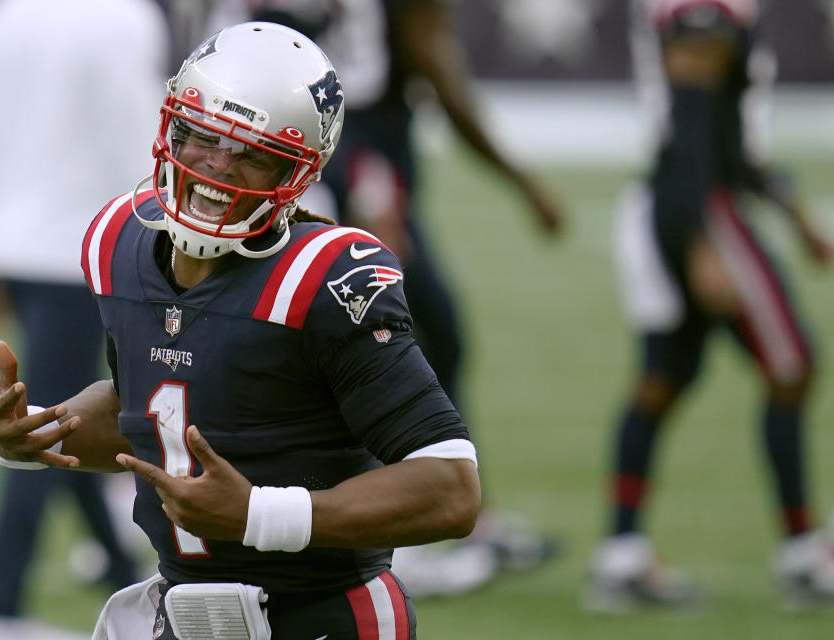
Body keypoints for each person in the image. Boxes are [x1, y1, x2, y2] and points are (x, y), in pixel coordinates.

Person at [0, 21, 481, 640]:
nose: (218, 166)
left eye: (253, 152)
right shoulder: (119, 243)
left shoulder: (325, 277)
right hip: (181, 615)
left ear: (300, 171)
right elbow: (156, 405)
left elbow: (449, 488)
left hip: (324, 616)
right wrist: (35, 434)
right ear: (170, 129)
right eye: (202, 136)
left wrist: (258, 514)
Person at [199, 0, 564, 597]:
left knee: (409, 335)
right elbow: (434, 64)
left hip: (289, 148)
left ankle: (241, 498)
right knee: (373, 340)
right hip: (338, 151)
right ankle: (368, 521)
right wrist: (517, 179)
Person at [585, 0, 834, 612]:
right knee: (792, 363)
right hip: (698, 206)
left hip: (684, 198)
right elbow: (694, 115)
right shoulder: (702, 14)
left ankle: (620, 554)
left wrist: (792, 210)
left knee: (663, 381)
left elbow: (728, 136)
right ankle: (803, 554)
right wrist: (700, 243)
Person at [0, 0, 170, 637]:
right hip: (80, 251)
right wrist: (161, 244)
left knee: (64, 404)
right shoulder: (125, 19)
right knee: (45, 424)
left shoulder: (4, 15)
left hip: (13, 247)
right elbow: (138, 138)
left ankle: (120, 570)